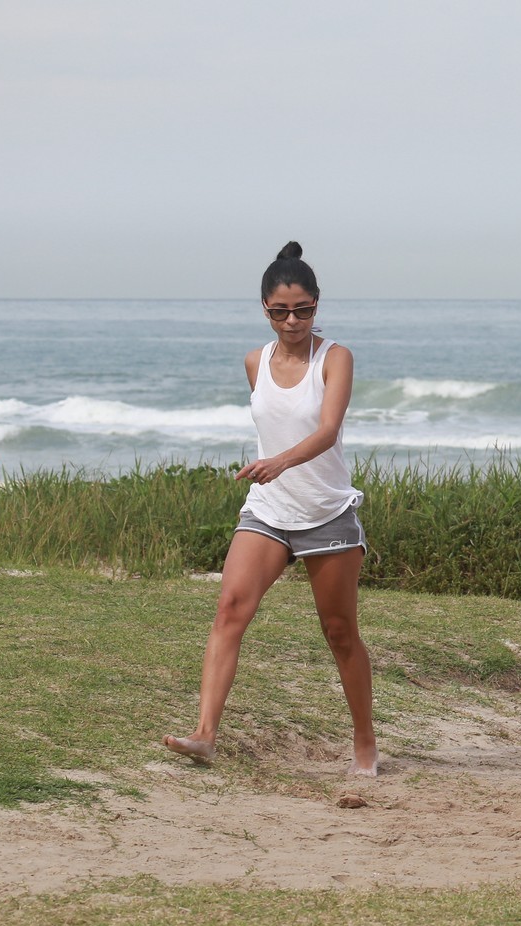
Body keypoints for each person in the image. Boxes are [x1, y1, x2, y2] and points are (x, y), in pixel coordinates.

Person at [164, 242, 378, 776]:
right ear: (264, 308)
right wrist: (273, 471)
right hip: (267, 509)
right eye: (281, 310)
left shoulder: (336, 358)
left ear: (317, 305)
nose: (292, 320)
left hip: (326, 511)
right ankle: (205, 735)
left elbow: (327, 431)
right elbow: (272, 421)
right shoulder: (254, 361)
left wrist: (281, 461)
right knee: (230, 609)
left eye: (303, 309)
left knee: (339, 632)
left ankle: (365, 744)